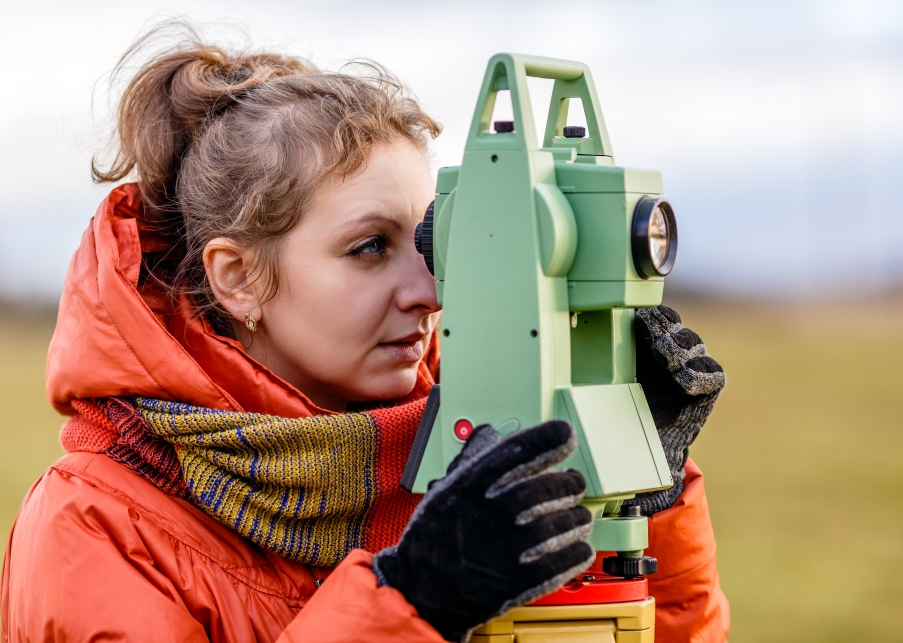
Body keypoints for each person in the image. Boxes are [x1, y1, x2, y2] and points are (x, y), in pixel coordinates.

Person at [0, 23, 729, 643]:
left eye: (429, 245)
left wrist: (634, 495)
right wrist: (409, 604)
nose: (429, 291)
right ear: (239, 278)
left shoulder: (459, 467)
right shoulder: (96, 525)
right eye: (369, 247)